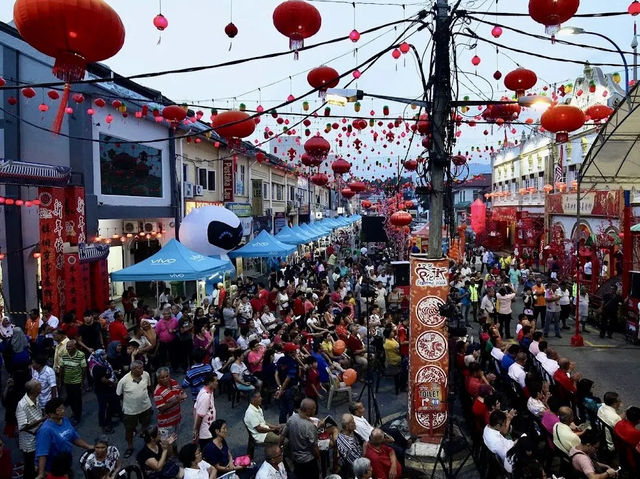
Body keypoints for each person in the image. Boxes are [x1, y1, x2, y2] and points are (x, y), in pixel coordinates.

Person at [35, 398, 92, 478]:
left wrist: (88, 446)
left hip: (66, 464)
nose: (63, 411)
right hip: (53, 469)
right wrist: (41, 473)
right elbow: (42, 453)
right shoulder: (45, 430)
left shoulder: (65, 420)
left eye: (63, 408)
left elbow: (74, 437)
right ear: (51, 414)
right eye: (59, 410)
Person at [116, 360, 153, 458]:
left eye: (142, 367)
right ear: (133, 370)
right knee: (129, 429)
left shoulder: (146, 375)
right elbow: (119, 395)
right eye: (140, 368)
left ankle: (147, 444)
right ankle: (130, 447)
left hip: (145, 407)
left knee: (146, 427)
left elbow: (149, 387)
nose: (142, 370)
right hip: (130, 411)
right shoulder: (124, 381)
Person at [280, 398, 320, 479]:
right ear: (308, 410)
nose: (315, 410)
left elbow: (282, 435)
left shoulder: (292, 418)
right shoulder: (310, 427)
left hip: (295, 459)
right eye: (314, 408)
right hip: (308, 461)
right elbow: (315, 448)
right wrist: (318, 460)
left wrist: (280, 448)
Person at [16, 380, 45, 479]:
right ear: (33, 390)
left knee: (37, 463)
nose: (41, 386)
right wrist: (42, 420)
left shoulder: (36, 399)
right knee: (30, 466)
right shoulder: (22, 405)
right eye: (39, 386)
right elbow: (23, 426)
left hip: (38, 437)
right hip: (29, 442)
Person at [88, 349, 122, 434]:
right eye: (103, 354)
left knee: (113, 402)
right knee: (104, 407)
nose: (105, 356)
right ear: (99, 356)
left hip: (108, 388)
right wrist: (114, 384)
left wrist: (114, 373)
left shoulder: (103, 362)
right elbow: (104, 380)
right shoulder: (97, 367)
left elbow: (108, 372)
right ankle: (104, 425)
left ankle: (113, 415)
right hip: (102, 390)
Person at [154, 367, 188, 440]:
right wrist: (178, 400)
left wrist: (182, 394)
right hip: (166, 424)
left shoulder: (173, 382)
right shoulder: (158, 391)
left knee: (175, 440)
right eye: (162, 377)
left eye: (167, 376)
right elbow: (161, 408)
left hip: (176, 419)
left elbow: (180, 391)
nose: (165, 379)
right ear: (158, 379)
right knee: (167, 444)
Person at [59, 339, 86, 424]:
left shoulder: (80, 355)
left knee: (77, 400)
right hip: (67, 381)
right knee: (70, 399)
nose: (68, 348)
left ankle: (77, 417)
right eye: (67, 347)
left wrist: (82, 381)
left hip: (77, 381)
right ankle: (74, 412)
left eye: (70, 347)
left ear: (75, 347)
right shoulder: (64, 355)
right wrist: (60, 380)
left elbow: (84, 368)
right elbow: (61, 368)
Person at [275, 342, 300, 423]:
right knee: (291, 410)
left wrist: (279, 387)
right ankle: (291, 428)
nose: (296, 351)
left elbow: (276, 374)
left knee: (283, 409)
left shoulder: (280, 360)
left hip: (282, 389)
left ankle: (281, 427)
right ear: (290, 352)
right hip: (290, 389)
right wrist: (282, 390)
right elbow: (288, 378)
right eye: (294, 350)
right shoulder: (293, 363)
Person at [335, 413, 364, 478]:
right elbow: (358, 463)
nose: (355, 423)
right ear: (347, 426)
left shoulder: (345, 433)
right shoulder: (349, 446)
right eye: (353, 422)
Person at [193, 374, 218, 448]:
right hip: (206, 431)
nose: (217, 383)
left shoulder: (209, 390)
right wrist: (196, 430)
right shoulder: (205, 397)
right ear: (210, 382)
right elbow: (200, 416)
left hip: (209, 427)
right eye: (216, 381)